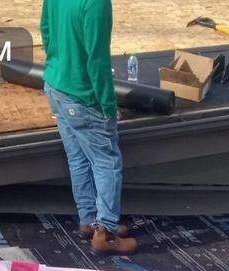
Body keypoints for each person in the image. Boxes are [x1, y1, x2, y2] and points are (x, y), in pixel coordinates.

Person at [41, 0, 137, 255]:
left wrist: (60, 65)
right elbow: (97, 59)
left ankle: (88, 221)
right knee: (107, 161)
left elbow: (46, 31)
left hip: (56, 86)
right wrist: (107, 104)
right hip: (82, 95)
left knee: (79, 158)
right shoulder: (96, 3)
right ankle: (105, 233)